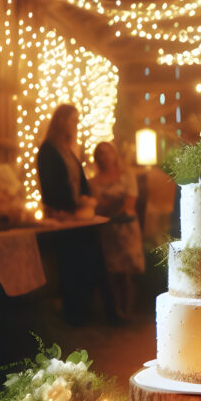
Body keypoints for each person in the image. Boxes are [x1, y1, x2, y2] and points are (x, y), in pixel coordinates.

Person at [36, 104, 113, 325]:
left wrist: (87, 198)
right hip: (63, 216)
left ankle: (88, 309)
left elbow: (79, 180)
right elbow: (51, 186)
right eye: (73, 120)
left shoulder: (68, 150)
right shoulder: (49, 150)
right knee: (70, 262)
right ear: (61, 121)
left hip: (79, 215)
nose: (76, 125)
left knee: (88, 258)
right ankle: (75, 312)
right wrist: (72, 204)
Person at [90, 142, 145, 321]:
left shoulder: (126, 176)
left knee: (126, 271)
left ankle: (127, 309)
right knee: (112, 271)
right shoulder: (94, 182)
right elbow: (95, 206)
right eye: (100, 154)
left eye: (107, 153)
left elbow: (129, 201)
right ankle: (115, 312)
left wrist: (108, 203)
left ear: (114, 155)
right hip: (106, 230)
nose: (104, 157)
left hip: (126, 228)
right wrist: (109, 203)